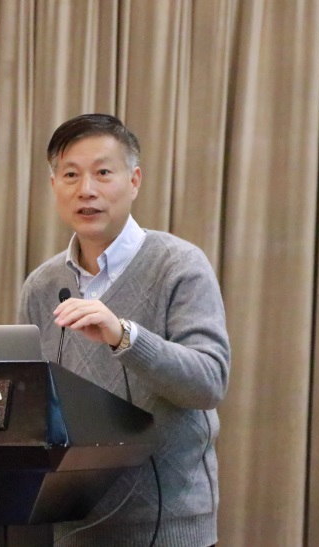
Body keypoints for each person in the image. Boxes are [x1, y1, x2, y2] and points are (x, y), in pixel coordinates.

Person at [18, 113, 230, 546]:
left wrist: (125, 336)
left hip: (169, 527)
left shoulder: (179, 265)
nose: (86, 189)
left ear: (134, 181)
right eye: (71, 175)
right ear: (54, 185)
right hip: (69, 525)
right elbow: (31, 405)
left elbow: (208, 383)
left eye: (103, 173)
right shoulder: (42, 286)